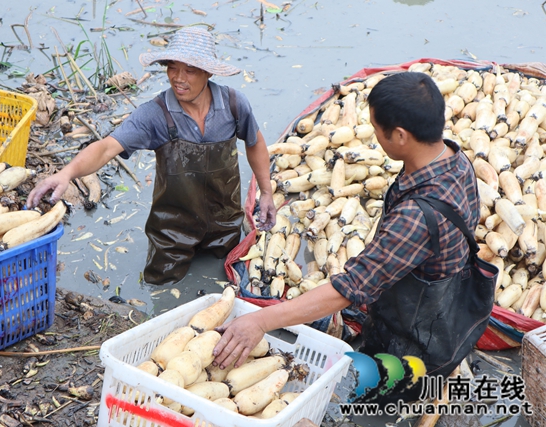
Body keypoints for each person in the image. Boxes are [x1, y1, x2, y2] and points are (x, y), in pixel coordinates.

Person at [212, 72, 488, 401]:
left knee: (361, 389)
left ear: (400, 136)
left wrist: (260, 321)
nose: (373, 136)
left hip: (416, 340)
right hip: (440, 304)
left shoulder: (416, 218)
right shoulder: (454, 160)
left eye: (376, 129)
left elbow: (350, 288)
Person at [27, 27, 276, 286]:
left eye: (189, 70)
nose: (178, 78)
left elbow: (254, 141)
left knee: (228, 280)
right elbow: (105, 147)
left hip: (226, 224)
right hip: (172, 232)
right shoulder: (155, 115)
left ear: (208, 72)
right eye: (172, 67)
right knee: (160, 288)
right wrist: (67, 173)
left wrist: (266, 192)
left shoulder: (234, 105)